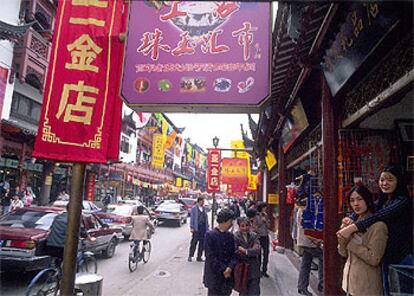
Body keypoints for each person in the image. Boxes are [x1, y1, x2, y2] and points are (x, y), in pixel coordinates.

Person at [337, 165, 413, 295]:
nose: (385, 183)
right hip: (387, 257)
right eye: (382, 180)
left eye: (390, 180)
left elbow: (377, 216)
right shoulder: (383, 202)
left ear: (398, 181)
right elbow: (367, 207)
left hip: (402, 257)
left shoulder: (402, 201)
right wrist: (351, 218)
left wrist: (351, 229)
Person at [338, 184, 388, 296]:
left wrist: (350, 241)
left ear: (368, 200)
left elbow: (374, 258)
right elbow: (342, 253)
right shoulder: (352, 222)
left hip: (367, 286)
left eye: (360, 199)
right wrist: (342, 237)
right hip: (350, 282)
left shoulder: (378, 226)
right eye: (352, 200)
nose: (356, 204)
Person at [203, 208, 237, 296]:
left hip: (227, 276)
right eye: (231, 221)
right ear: (224, 221)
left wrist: (230, 267)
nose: (232, 223)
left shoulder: (230, 236)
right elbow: (210, 256)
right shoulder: (210, 235)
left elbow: (234, 254)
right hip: (214, 276)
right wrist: (224, 270)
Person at [296, 204, 323, 296]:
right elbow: (307, 228)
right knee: (322, 257)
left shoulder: (302, 209)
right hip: (308, 241)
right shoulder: (306, 210)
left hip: (306, 241)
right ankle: (322, 283)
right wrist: (316, 240)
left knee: (306, 263)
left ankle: (302, 286)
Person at [234, 217, 261, 296]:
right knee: (243, 293)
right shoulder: (235, 237)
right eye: (242, 226)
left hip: (254, 269)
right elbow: (236, 252)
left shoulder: (254, 235)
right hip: (242, 269)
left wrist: (245, 251)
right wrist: (251, 251)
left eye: (247, 225)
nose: (245, 228)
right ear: (239, 226)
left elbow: (258, 250)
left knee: (255, 292)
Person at [188, 197, 209, 262]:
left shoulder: (204, 208)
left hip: (203, 227)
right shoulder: (194, 208)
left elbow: (206, 218)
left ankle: (199, 257)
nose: (203, 203)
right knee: (194, 242)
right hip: (196, 227)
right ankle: (190, 256)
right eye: (202, 201)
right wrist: (192, 227)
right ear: (199, 201)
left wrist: (207, 227)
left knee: (202, 243)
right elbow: (192, 218)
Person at [254, 202, 270, 278]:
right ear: (261, 207)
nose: (265, 209)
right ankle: (258, 271)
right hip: (259, 237)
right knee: (259, 254)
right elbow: (255, 227)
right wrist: (261, 222)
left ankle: (264, 270)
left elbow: (269, 226)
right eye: (264, 207)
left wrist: (266, 221)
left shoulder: (266, 215)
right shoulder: (256, 216)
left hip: (266, 236)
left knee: (266, 253)